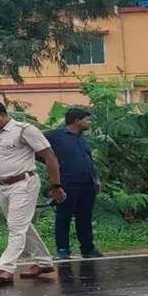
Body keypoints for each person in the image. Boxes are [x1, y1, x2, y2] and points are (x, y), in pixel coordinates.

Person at [0, 101, 66, 284]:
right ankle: (44, 261)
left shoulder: (24, 130)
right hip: (2, 185)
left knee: (16, 227)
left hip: (23, 183)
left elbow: (49, 156)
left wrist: (56, 185)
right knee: (21, 225)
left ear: (1, 115)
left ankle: (5, 268)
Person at [45, 108, 104, 260]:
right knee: (63, 217)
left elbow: (88, 159)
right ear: (77, 120)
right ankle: (63, 250)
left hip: (87, 183)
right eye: (87, 119)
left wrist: (96, 178)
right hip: (67, 183)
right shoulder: (54, 135)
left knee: (85, 218)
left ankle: (87, 249)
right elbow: (39, 149)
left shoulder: (82, 138)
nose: (89, 123)